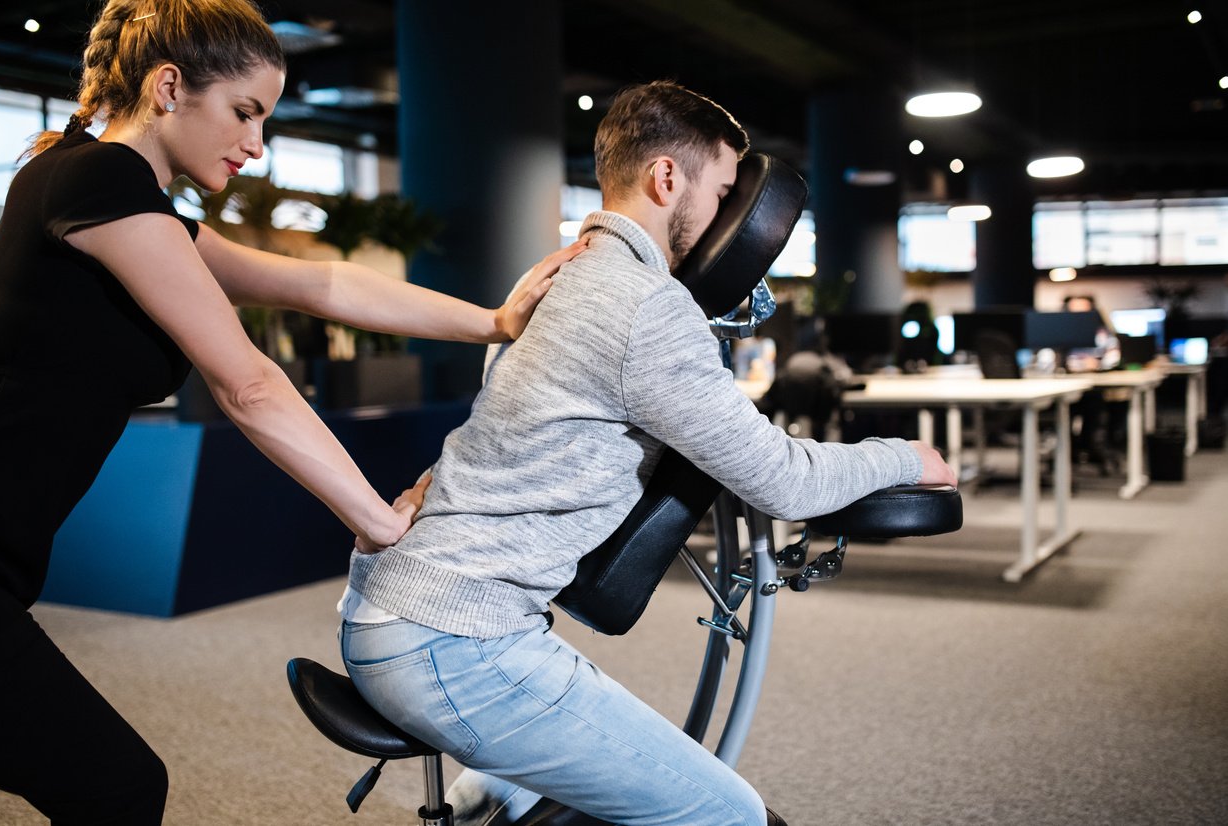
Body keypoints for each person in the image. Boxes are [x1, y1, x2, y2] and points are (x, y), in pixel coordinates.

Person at [0, 1, 581, 822]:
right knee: (118, 788)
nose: (256, 144)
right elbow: (249, 385)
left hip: (3, 561)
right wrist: (377, 521)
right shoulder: (98, 181)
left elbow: (318, 284)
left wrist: (492, 321)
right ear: (169, 88)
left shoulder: (122, 200)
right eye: (243, 112)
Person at [338, 80, 956, 826]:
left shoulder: (554, 277)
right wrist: (903, 454)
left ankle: (496, 791)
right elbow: (781, 481)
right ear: (667, 178)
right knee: (729, 815)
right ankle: (501, 786)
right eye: (723, 191)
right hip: (454, 646)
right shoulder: (643, 304)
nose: (733, 216)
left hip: (389, 611)